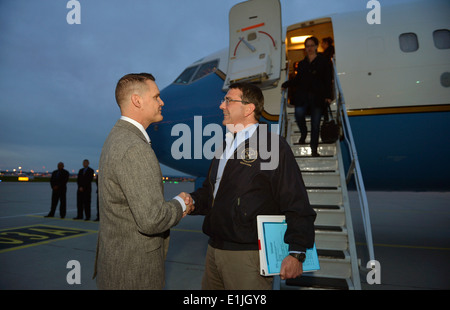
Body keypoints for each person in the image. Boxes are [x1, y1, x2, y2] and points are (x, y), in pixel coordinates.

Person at [189, 82, 316, 290]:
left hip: (246, 257)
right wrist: (193, 201)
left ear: (249, 109)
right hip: (213, 251)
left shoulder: (272, 147)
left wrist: (296, 252)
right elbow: (213, 193)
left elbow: (296, 201)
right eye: (224, 101)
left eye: (229, 100)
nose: (222, 106)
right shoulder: (225, 147)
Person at [93, 73, 194, 290]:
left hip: (118, 265)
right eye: (156, 97)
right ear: (137, 101)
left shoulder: (116, 137)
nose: (162, 102)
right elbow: (151, 220)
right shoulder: (135, 148)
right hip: (134, 273)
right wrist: (181, 203)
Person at [282, 36, 332, 157]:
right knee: (298, 115)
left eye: (311, 45)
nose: (309, 48)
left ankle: (314, 149)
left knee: (315, 124)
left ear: (316, 46)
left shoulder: (323, 61)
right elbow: (298, 79)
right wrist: (286, 84)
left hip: (318, 97)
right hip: (303, 96)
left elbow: (327, 79)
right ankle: (303, 133)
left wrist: (328, 95)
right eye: (307, 46)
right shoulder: (302, 63)